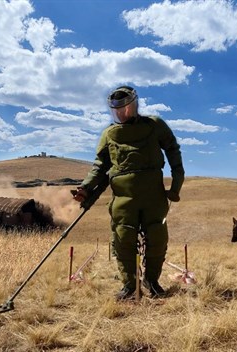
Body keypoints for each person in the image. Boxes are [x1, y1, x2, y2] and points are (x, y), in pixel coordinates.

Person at [73, 85, 184, 300]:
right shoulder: (108, 135)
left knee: (157, 239)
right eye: (117, 110)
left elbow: (173, 150)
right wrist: (85, 187)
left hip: (154, 196)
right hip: (123, 200)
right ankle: (129, 285)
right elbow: (99, 166)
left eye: (126, 108)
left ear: (135, 105)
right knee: (123, 240)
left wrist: (176, 185)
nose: (122, 113)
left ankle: (151, 281)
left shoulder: (155, 125)